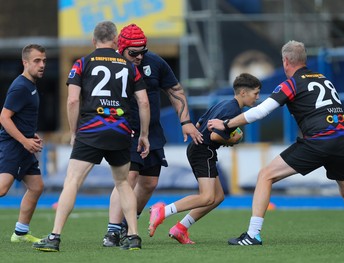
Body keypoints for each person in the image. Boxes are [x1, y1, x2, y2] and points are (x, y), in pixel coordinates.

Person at [207, 40, 344, 245]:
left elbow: (261, 111)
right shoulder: (323, 79)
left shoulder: (292, 83)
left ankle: (253, 234)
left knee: (265, 176)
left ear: (286, 61)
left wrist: (226, 123)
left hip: (318, 140)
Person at [32, 21, 150, 252]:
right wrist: (144, 134)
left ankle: (54, 237)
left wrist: (74, 131)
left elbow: (73, 100)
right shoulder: (130, 67)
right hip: (120, 131)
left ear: (93, 41)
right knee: (123, 183)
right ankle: (134, 237)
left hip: (91, 130)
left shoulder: (82, 63)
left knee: (73, 181)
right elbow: (143, 102)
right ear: (116, 41)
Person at [102, 23, 203, 247]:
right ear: (121, 48)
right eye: (133, 53)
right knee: (127, 178)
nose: (139, 57)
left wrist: (185, 121)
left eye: (142, 51)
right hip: (124, 130)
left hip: (152, 132)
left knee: (149, 182)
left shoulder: (155, 63)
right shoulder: (112, 66)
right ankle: (112, 231)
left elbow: (175, 91)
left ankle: (130, 223)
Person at [148, 73, 261, 244]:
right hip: (204, 150)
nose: (257, 97)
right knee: (207, 196)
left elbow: (200, 124)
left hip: (199, 148)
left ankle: (180, 228)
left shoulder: (223, 103)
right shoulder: (233, 110)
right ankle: (163, 211)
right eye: (256, 93)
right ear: (243, 92)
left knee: (217, 197)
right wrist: (233, 139)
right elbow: (216, 137)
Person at [0, 44, 46, 244]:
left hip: (24, 145)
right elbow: (4, 117)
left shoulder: (31, 85)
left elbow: (19, 117)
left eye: (44, 60)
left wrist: (30, 135)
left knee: (36, 187)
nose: (42, 64)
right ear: (25, 62)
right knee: (2, 190)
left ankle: (20, 233)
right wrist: (24, 140)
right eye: (37, 61)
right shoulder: (20, 87)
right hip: (14, 146)